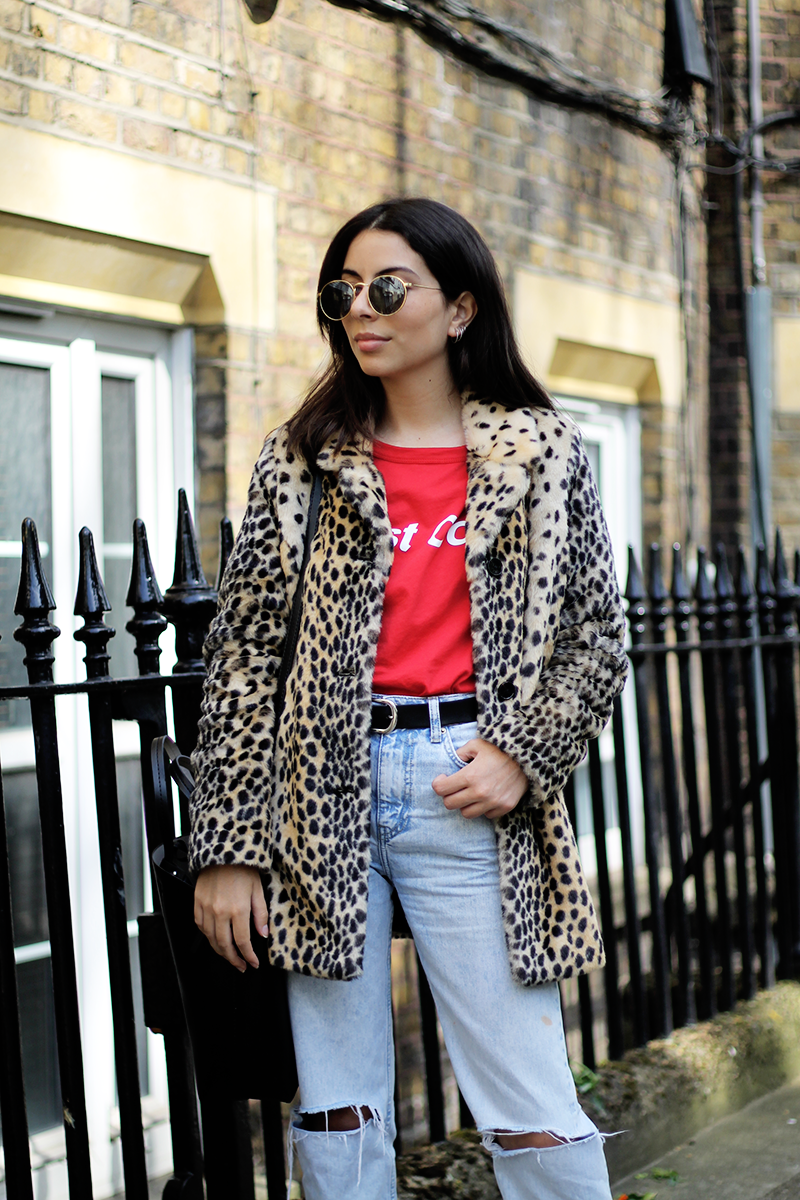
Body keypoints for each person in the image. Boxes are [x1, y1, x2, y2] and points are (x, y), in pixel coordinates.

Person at [189, 197, 628, 1200]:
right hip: (318, 796)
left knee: (529, 1104)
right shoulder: (303, 456)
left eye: (387, 288)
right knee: (335, 1107)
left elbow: (596, 637)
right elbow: (247, 655)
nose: (360, 309)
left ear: (460, 307)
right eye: (341, 292)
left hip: (460, 787)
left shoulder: (537, 451)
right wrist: (228, 847)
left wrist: (521, 752)